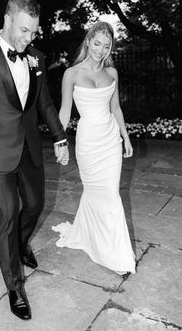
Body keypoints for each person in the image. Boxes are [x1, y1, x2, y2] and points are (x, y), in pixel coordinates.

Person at [0, 0, 69, 321]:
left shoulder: (35, 56)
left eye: (33, 32)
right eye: (24, 30)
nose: (28, 38)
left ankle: (21, 244)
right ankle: (14, 286)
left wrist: (60, 138)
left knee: (35, 205)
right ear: (8, 20)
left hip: (29, 148)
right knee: (7, 215)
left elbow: (46, 105)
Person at [52, 21, 136, 276]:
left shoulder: (112, 74)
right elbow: (65, 109)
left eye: (106, 45)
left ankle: (116, 255)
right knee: (94, 192)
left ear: (111, 47)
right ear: (88, 41)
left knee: (110, 195)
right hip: (88, 142)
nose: (100, 50)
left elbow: (116, 108)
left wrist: (126, 136)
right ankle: (90, 236)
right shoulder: (72, 73)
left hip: (111, 141)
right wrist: (60, 140)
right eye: (97, 43)